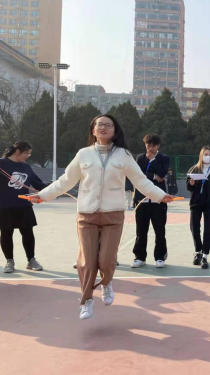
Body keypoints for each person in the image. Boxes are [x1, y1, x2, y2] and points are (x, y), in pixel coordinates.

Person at [33, 115, 174, 320]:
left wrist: (161, 195)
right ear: (93, 130)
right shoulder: (83, 154)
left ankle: (106, 282)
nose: (103, 127)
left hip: (113, 215)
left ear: (115, 131)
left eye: (108, 125)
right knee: (87, 262)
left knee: (107, 260)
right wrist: (42, 195)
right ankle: (87, 300)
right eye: (99, 125)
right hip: (87, 214)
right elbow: (66, 180)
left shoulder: (124, 155)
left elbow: (140, 181)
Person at [0, 141, 48, 273]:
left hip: (23, 205)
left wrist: (58, 186)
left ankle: (31, 260)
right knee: (6, 233)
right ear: (18, 151)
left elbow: (38, 184)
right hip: (3, 205)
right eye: (27, 153)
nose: (28, 156)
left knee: (28, 233)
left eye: (29, 154)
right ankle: (9, 261)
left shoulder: (26, 166)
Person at [131, 134, 171, 269]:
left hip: (158, 200)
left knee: (159, 230)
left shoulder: (164, 158)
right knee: (141, 230)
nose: (150, 148)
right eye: (148, 145)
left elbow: (163, 174)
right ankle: (139, 257)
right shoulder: (140, 158)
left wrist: (153, 160)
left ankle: (160, 256)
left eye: (153, 145)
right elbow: (138, 176)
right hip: (141, 200)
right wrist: (154, 176)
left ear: (158, 146)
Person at [186, 146, 210, 269]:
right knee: (194, 228)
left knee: (208, 229)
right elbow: (189, 187)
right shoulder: (194, 169)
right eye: (206, 154)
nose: (208, 157)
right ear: (201, 155)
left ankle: (205, 256)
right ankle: (198, 251)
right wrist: (191, 183)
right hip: (196, 202)